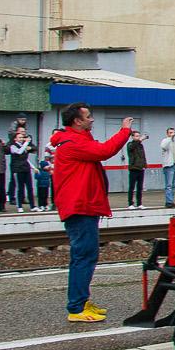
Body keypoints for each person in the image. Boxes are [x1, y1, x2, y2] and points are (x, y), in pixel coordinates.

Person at [52, 103, 132, 322]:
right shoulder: (72, 144)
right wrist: (124, 130)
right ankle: (76, 308)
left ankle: (82, 301)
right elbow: (104, 151)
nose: (92, 120)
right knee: (84, 255)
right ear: (77, 121)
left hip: (83, 205)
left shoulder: (79, 139)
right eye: (88, 117)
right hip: (79, 206)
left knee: (86, 255)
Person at [8, 129, 37, 212]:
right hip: (18, 170)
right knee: (20, 188)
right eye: (19, 137)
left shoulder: (24, 146)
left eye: (22, 137)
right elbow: (19, 152)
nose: (21, 139)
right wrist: (26, 143)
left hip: (26, 169)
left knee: (30, 188)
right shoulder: (13, 146)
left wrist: (33, 167)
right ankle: (19, 206)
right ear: (15, 139)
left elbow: (25, 159)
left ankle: (32, 206)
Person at [126, 131, 147, 209]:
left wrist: (145, 165)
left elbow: (143, 156)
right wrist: (140, 140)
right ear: (132, 137)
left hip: (141, 168)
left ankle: (139, 203)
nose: (138, 137)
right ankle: (130, 203)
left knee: (140, 187)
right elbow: (132, 147)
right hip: (133, 168)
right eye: (136, 136)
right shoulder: (130, 144)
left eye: (139, 136)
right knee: (132, 186)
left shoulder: (140, 146)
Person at [159, 127, 175, 207]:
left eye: (173, 132)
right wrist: (170, 137)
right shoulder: (165, 141)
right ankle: (168, 202)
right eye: (170, 132)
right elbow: (164, 146)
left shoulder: (174, 143)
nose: (172, 134)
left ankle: (171, 200)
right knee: (169, 185)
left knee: (173, 185)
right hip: (169, 166)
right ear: (167, 134)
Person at [36, 144, 54, 210]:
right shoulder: (40, 171)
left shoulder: (48, 172)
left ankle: (45, 204)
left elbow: (49, 178)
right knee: (41, 196)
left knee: (45, 196)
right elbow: (37, 177)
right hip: (40, 186)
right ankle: (41, 205)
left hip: (46, 186)